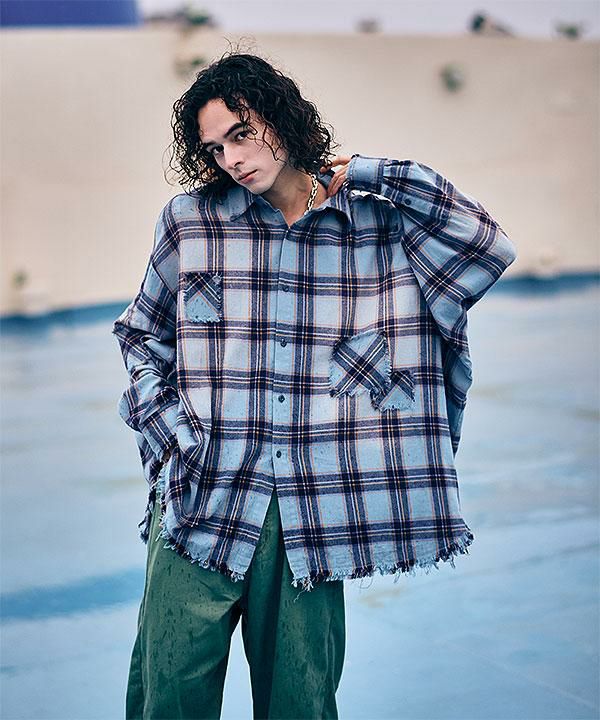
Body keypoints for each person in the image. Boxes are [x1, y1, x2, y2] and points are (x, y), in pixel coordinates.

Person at [112, 50, 517, 720]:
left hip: (310, 512)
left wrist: (369, 171)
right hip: (199, 500)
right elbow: (141, 337)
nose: (232, 159)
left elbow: (485, 245)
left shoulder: (378, 229)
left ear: (283, 118)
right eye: (215, 148)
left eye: (242, 133)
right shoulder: (191, 222)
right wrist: (174, 440)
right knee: (169, 698)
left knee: (301, 702)